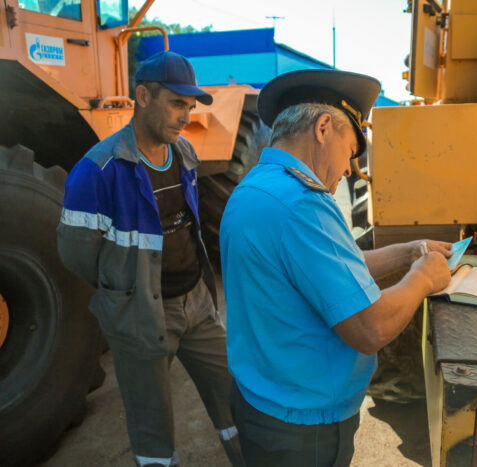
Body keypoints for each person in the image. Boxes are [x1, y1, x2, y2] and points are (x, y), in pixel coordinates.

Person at [219, 69, 453, 466]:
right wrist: (423, 277)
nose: (348, 169)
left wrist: (410, 251)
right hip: (302, 430)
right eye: (351, 150)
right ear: (324, 127)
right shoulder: (302, 204)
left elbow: (330, 269)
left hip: (263, 403)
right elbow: (370, 328)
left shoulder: (257, 187)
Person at [57, 51, 239, 466]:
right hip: (141, 316)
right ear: (143, 96)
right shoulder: (97, 171)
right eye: (176, 104)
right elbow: (76, 254)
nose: (185, 117)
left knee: (234, 397)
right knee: (152, 430)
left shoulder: (184, 153)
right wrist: (125, 293)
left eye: (189, 106)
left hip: (197, 305)